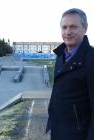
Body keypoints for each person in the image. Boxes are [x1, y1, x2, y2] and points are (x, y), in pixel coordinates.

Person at [46, 8, 94, 140]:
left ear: (85, 28)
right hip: (57, 130)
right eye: (64, 27)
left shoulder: (91, 59)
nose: (68, 32)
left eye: (73, 27)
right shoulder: (61, 54)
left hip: (77, 135)